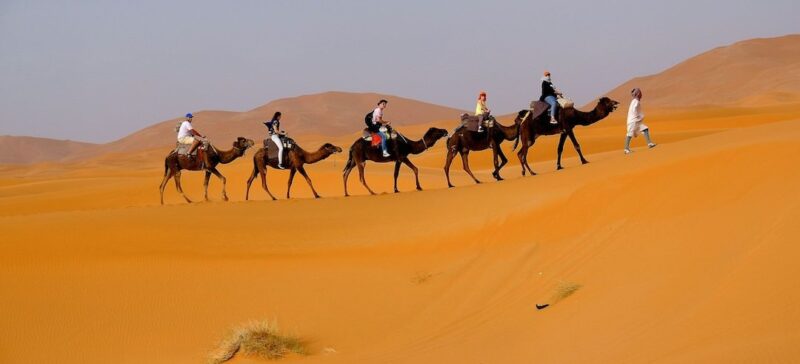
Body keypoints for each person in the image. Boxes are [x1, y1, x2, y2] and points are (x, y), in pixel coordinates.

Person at [625, 88, 657, 154]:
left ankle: (649, 143)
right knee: (629, 134)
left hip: (636, 121)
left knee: (645, 129)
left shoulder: (635, 101)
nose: (641, 94)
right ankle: (626, 149)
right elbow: (634, 109)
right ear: (638, 94)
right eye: (640, 93)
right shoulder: (636, 101)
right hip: (633, 121)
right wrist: (638, 116)